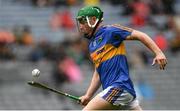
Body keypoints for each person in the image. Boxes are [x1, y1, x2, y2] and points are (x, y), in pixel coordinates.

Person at [75, 6, 167, 110]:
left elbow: (140, 35)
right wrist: (88, 95)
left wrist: (158, 53)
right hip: (120, 92)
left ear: (93, 20)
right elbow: (98, 73)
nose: (81, 26)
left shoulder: (110, 31)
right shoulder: (92, 45)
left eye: (83, 21)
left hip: (119, 87)